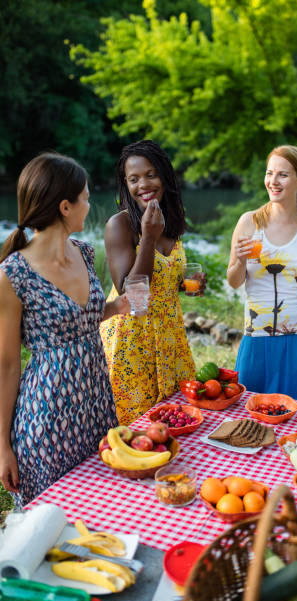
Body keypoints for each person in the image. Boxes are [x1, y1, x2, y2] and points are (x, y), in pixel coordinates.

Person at [0, 152, 131, 507]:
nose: (89, 205)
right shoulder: (14, 273)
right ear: (65, 207)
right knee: (52, 528)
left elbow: (77, 321)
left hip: (97, 406)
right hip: (46, 419)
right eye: (86, 198)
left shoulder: (85, 253)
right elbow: (7, 365)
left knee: (105, 511)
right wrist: (3, 447)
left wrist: (114, 308)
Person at [227, 145, 297, 401]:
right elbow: (233, 281)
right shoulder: (249, 222)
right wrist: (241, 260)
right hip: (259, 336)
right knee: (251, 417)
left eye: (283, 175)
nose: (273, 181)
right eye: (269, 173)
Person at [100, 140, 203, 425]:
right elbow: (131, 293)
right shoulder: (119, 225)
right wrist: (147, 237)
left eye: (150, 174)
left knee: (176, 421)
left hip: (170, 338)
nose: (142, 184)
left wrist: (185, 284)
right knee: (136, 428)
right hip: (133, 342)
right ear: (126, 184)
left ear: (165, 177)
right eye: (133, 179)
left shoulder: (169, 221)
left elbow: (164, 280)